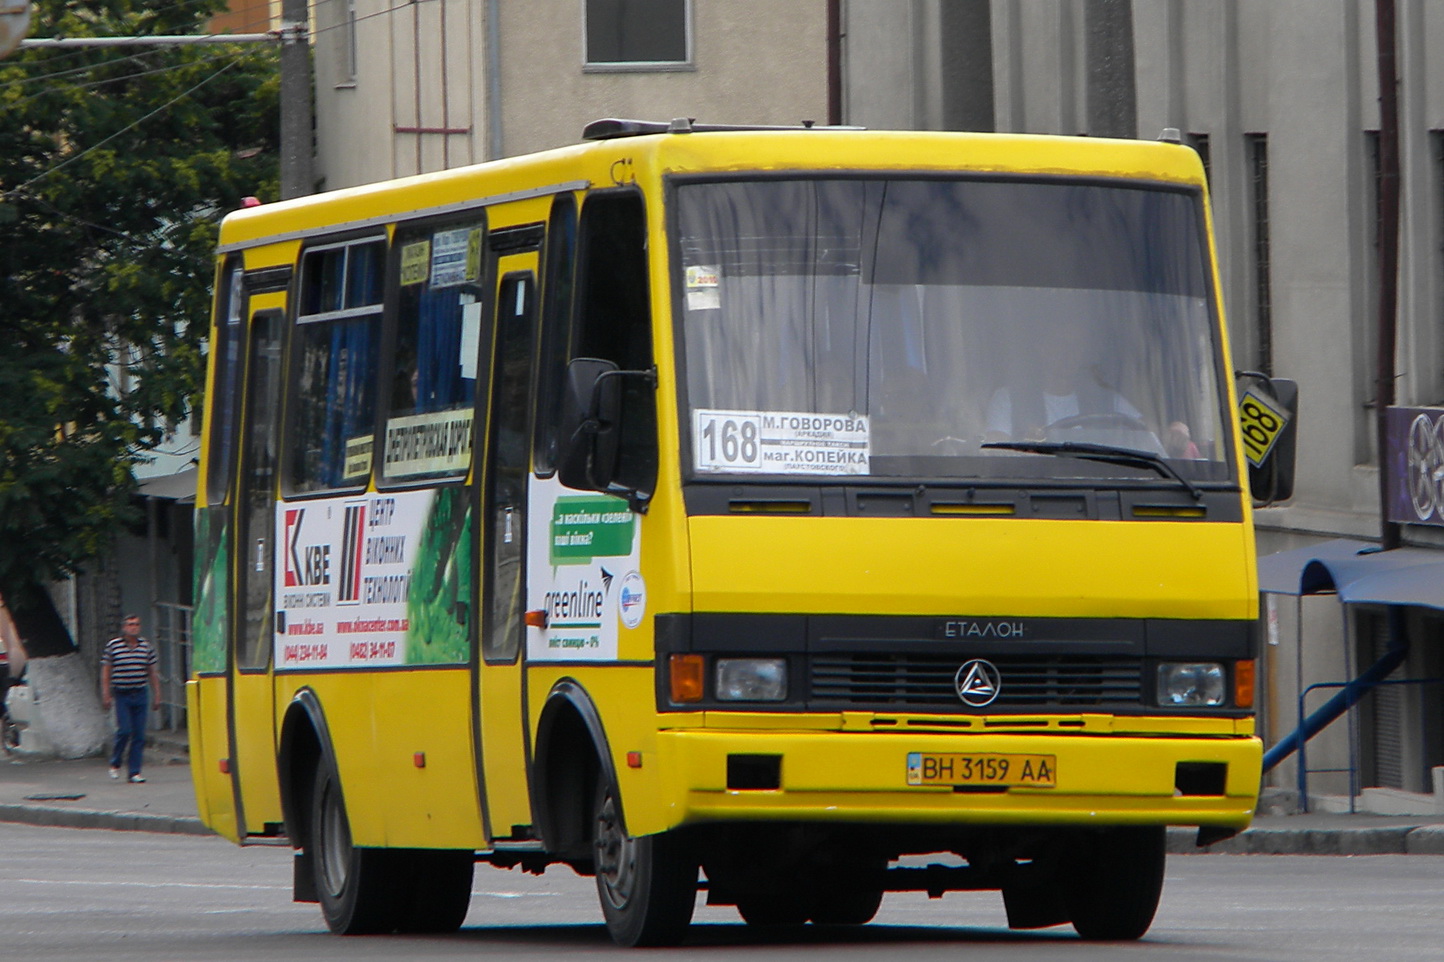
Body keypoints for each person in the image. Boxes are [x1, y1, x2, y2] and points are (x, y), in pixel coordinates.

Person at [100, 614, 161, 783]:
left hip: (140, 693)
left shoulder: (146, 647)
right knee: (125, 730)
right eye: (130, 624)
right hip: (122, 694)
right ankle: (116, 762)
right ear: (124, 628)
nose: (133, 627)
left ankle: (134, 772)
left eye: (136, 624)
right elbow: (106, 671)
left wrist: (157, 695)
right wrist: (106, 694)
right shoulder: (114, 646)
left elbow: (152, 672)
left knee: (139, 735)